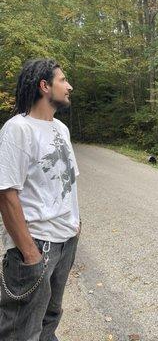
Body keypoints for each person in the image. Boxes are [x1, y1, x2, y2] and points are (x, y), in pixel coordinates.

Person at [0, 58, 81, 340]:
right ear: (44, 86)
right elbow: (6, 193)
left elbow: (67, 182)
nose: (69, 86)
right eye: (63, 80)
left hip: (66, 240)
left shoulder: (62, 129)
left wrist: (76, 224)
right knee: (21, 328)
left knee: (50, 317)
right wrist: (30, 251)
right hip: (37, 244)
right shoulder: (17, 129)